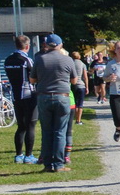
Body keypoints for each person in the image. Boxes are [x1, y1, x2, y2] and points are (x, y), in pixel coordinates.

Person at [32, 33, 83, 172]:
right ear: (60, 45)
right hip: (62, 96)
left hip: (44, 96)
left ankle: (48, 164)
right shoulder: (67, 60)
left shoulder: (39, 59)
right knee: (60, 131)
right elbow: (74, 80)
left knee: (46, 131)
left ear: (47, 45)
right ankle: (59, 164)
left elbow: (32, 80)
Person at [4, 34, 39, 164]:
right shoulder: (26, 60)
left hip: (16, 95)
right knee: (31, 125)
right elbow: (34, 76)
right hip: (29, 95)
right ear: (27, 46)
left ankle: (18, 155)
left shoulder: (8, 60)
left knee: (21, 126)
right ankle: (29, 156)